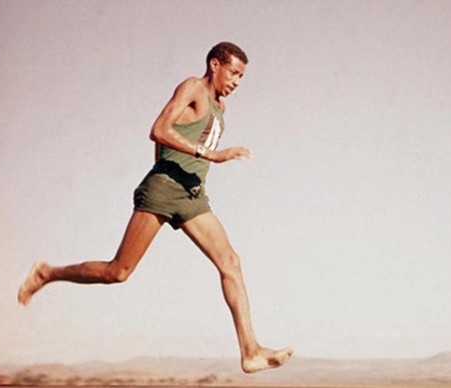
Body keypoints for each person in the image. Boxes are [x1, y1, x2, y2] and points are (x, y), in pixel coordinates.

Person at [17, 42, 293, 374]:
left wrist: (187, 177)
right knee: (117, 272)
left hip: (192, 196)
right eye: (233, 73)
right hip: (164, 190)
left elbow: (169, 140)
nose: (236, 82)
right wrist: (208, 158)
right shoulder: (193, 87)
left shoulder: (222, 108)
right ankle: (47, 273)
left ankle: (250, 351)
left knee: (230, 262)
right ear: (215, 64)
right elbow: (158, 130)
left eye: (242, 77)